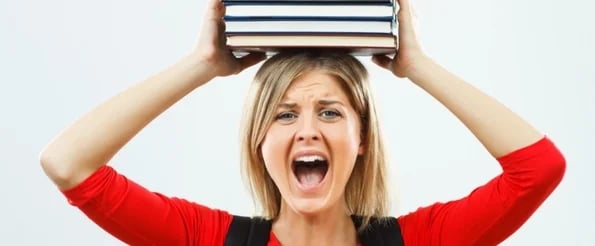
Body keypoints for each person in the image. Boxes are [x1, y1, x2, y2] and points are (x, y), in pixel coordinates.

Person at [40, 0, 566, 245]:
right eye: (285, 114)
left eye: (331, 112)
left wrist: (416, 66)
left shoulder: (420, 241)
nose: (307, 131)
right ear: (259, 140)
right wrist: (201, 66)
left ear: (362, 141)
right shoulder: (209, 240)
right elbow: (67, 164)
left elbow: (539, 169)